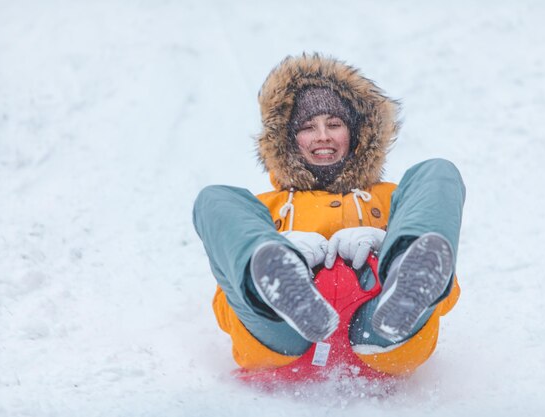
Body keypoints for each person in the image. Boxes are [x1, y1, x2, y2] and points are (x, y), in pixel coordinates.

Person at [192, 53, 466, 375]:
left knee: (437, 171)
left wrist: (385, 241)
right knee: (214, 199)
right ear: (288, 140)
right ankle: (274, 276)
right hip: (283, 336)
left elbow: (445, 292)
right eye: (308, 127)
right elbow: (225, 304)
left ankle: (401, 273)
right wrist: (283, 248)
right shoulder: (263, 210)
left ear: (356, 134)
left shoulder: (395, 199)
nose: (323, 136)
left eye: (334, 124)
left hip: (381, 332)